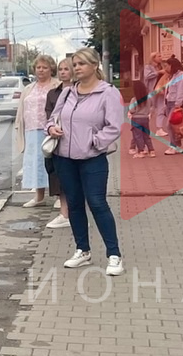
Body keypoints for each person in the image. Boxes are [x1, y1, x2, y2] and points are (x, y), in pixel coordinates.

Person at [45, 47, 125, 276]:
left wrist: (95, 143)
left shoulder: (107, 92)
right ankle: (82, 250)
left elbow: (115, 126)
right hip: (64, 158)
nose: (76, 68)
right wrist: (52, 128)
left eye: (81, 64)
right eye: (74, 64)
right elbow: (52, 118)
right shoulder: (68, 92)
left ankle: (114, 255)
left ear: (94, 65)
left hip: (92, 159)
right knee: (75, 204)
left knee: (98, 203)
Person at [14, 55, 60, 208]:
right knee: (35, 163)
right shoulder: (28, 88)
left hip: (50, 131)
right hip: (31, 130)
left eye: (45, 67)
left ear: (51, 69)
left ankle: (60, 197)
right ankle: (39, 196)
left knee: (53, 163)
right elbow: (21, 110)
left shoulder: (57, 86)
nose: (41, 70)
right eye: (38, 67)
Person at [43, 57, 74, 229]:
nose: (63, 72)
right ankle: (64, 214)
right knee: (59, 177)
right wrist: (51, 128)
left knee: (77, 179)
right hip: (57, 139)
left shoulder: (80, 91)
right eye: (60, 69)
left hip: (77, 140)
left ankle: (76, 213)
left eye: (66, 69)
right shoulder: (53, 93)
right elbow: (49, 115)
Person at [159, 56, 183, 156]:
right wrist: (165, 104)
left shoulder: (182, 76)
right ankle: (176, 145)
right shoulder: (172, 76)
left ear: (172, 66)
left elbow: (181, 91)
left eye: (167, 66)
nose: (165, 68)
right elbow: (169, 91)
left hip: (175, 103)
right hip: (169, 102)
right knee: (174, 126)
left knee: (170, 125)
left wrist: (178, 104)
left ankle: (173, 146)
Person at [129, 79, 152, 159]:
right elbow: (149, 109)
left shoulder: (134, 99)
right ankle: (151, 150)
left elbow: (132, 110)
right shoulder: (148, 99)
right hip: (145, 118)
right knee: (146, 135)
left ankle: (141, 151)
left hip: (136, 119)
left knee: (138, 135)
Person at [147, 52, 169, 137]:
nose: (161, 57)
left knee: (161, 108)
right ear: (153, 58)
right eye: (159, 56)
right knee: (150, 109)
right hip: (152, 90)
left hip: (161, 90)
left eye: (161, 56)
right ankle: (143, 127)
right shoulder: (148, 67)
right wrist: (159, 72)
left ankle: (159, 128)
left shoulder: (162, 66)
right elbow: (147, 76)